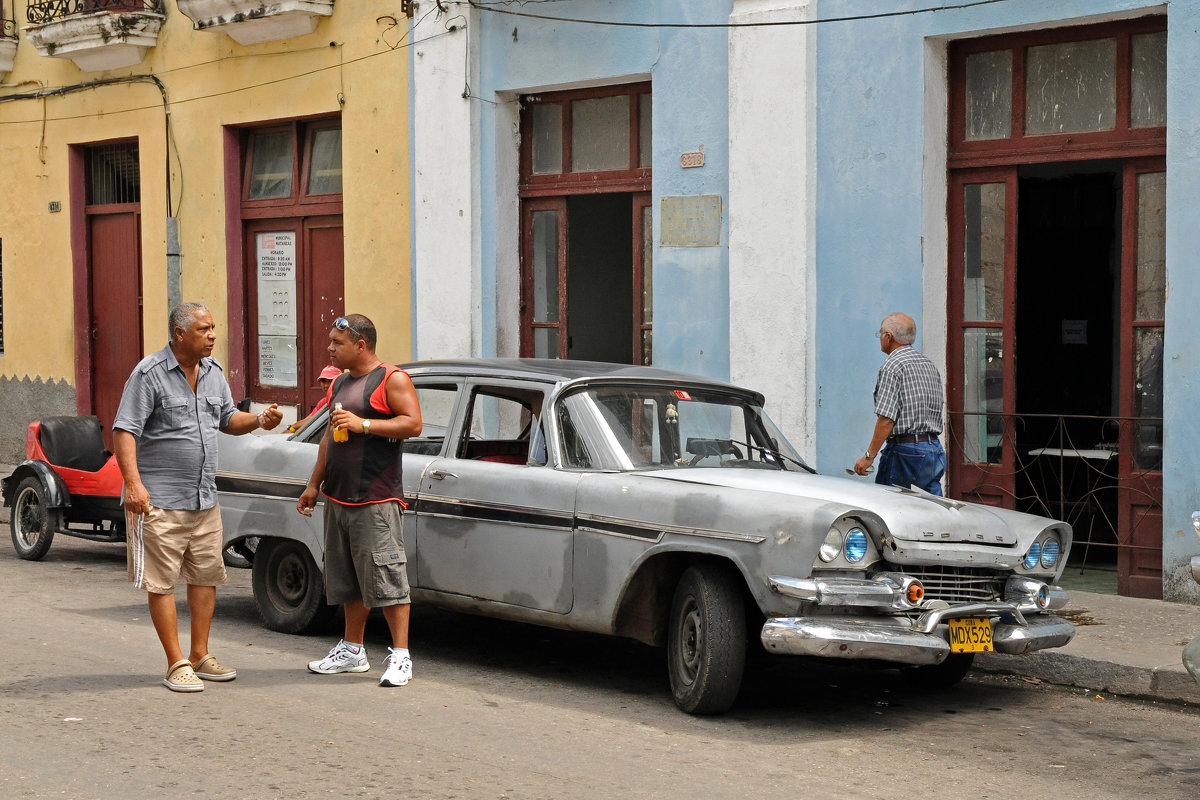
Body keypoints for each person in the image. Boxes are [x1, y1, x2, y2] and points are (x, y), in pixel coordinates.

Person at [114, 302, 283, 692]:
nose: (212, 336)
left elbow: (227, 419)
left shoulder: (213, 373)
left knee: (206, 576)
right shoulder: (149, 374)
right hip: (160, 500)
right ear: (179, 334)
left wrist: (259, 420)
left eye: (213, 329)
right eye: (204, 329)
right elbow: (124, 430)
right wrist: (133, 483)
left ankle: (200, 654)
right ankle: (175, 662)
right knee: (162, 583)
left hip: (204, 498)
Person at [297, 314, 422, 687]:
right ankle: (353, 651)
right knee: (348, 578)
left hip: (375, 499)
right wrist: (313, 484)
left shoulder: (391, 379)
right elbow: (329, 437)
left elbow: (413, 424)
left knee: (387, 578)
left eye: (337, 343)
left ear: (361, 345)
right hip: (338, 498)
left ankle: (401, 657)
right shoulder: (339, 384)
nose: (330, 349)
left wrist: (364, 424)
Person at [853, 312, 946, 495]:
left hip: (905, 452)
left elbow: (887, 418)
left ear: (888, 337)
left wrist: (869, 456)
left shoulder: (892, 366)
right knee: (933, 511)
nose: (880, 338)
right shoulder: (928, 364)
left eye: (880, 333)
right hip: (934, 449)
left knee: (891, 507)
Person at [287, 364, 343, 433]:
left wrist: (293, 427)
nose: (326, 385)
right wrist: (292, 428)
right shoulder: (323, 402)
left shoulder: (344, 400)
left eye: (330, 381)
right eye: (323, 381)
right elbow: (311, 419)